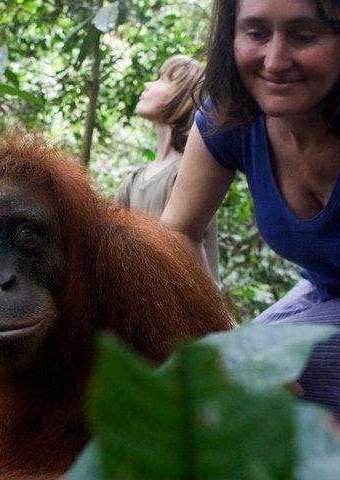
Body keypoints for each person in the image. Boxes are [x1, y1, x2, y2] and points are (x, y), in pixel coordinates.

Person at [161, 0, 340, 414]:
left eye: (303, 35)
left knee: (266, 377)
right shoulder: (230, 118)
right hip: (322, 286)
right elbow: (176, 233)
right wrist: (224, 333)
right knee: (221, 371)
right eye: (256, 33)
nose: (275, 61)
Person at [117, 54, 219, 280]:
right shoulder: (135, 178)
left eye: (163, 79)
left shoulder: (189, 172)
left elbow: (193, 257)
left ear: (184, 96)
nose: (148, 85)